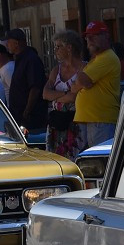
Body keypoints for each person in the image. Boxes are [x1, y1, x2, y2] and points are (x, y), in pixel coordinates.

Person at [70, 21, 122, 150]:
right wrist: (79, 82)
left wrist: (79, 81)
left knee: (98, 160)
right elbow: (74, 86)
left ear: (106, 36)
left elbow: (82, 82)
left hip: (100, 120)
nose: (90, 40)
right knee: (88, 161)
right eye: (87, 37)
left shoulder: (107, 57)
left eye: (94, 36)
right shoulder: (97, 59)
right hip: (91, 119)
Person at [43, 30, 86, 159]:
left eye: (58, 46)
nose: (55, 50)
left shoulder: (84, 68)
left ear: (69, 48)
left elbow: (74, 97)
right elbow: (45, 94)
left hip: (75, 123)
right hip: (56, 123)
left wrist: (56, 96)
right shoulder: (56, 70)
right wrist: (66, 93)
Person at [5, 28, 48, 132]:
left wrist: (27, 111)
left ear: (16, 43)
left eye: (9, 42)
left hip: (30, 117)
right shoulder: (20, 58)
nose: (7, 45)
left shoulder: (31, 59)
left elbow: (35, 88)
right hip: (19, 114)